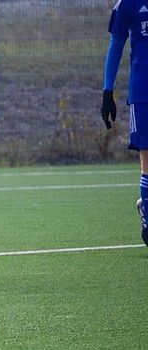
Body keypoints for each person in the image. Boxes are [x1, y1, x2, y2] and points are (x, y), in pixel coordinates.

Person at [101, 0, 148, 247]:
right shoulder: (127, 4)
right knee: (147, 161)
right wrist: (107, 92)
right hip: (143, 95)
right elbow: (116, 43)